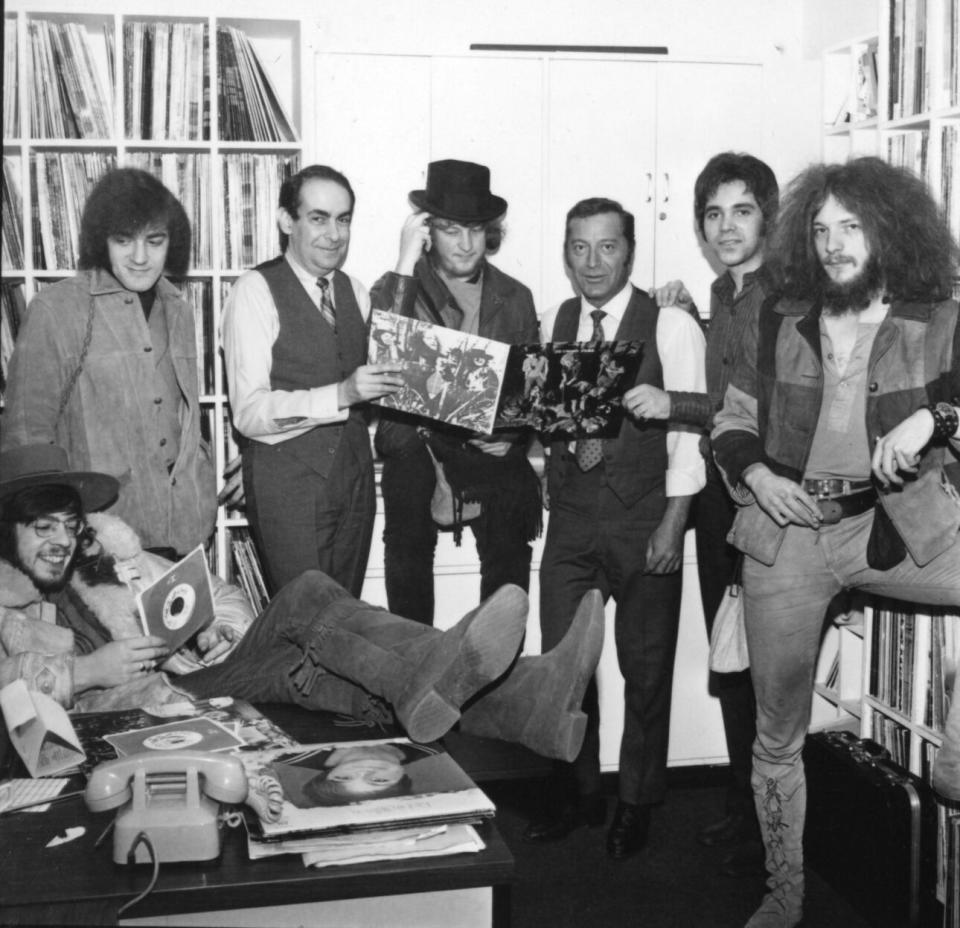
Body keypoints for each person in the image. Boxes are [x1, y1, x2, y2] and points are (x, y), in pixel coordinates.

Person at [0, 443, 605, 764]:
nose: (57, 542)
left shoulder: (113, 557)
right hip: (151, 713)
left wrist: (214, 625)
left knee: (363, 679)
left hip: (210, 670)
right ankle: (500, 685)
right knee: (312, 592)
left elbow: (221, 593)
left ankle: (533, 705)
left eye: (65, 525)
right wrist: (86, 672)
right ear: (7, 533)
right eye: (39, 529)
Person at [711, 156, 960, 928]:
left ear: (889, 229)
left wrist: (936, 418)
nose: (833, 243)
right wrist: (755, 474)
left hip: (889, 526)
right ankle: (784, 896)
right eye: (820, 230)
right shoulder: (780, 315)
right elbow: (731, 420)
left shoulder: (937, 315)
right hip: (786, 534)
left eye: (851, 226)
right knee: (775, 733)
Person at [524, 197, 706, 859]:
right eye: (579, 247)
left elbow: (692, 435)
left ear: (630, 251)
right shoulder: (556, 319)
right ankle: (579, 795)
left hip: (645, 519)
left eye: (607, 247)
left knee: (646, 671)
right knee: (564, 669)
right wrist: (544, 460)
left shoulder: (671, 326)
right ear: (565, 251)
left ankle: (637, 802)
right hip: (573, 523)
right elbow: (543, 418)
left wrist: (675, 521)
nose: (592, 262)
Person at [627, 152, 780, 876]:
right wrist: (691, 314)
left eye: (741, 210)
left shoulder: (782, 301)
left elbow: (757, 405)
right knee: (731, 656)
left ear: (768, 218)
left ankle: (764, 820)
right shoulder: (730, 291)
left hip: (760, 501)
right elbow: (725, 369)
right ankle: (744, 807)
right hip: (720, 499)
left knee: (757, 664)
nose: (726, 226)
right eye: (713, 213)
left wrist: (672, 404)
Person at [1, 168, 216, 558]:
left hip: (184, 527)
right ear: (102, 240)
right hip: (99, 532)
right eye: (123, 241)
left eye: (154, 241)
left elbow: (185, 418)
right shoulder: (56, 309)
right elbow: (26, 435)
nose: (139, 257)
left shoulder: (179, 309)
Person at [371, 159, 541, 625]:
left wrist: (513, 435)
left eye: (476, 229)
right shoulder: (396, 286)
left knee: (511, 538)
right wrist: (405, 262)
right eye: (450, 230)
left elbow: (530, 393)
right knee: (405, 534)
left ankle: (498, 664)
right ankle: (416, 665)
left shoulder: (515, 296)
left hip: (486, 450)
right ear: (428, 231)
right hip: (420, 447)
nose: (466, 244)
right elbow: (382, 358)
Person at [221, 164, 404, 598]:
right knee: (305, 625)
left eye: (343, 220)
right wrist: (341, 395)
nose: (334, 234)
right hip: (288, 489)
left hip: (355, 484)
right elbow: (249, 413)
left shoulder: (355, 292)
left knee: (345, 620)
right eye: (318, 218)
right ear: (287, 221)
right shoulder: (254, 290)